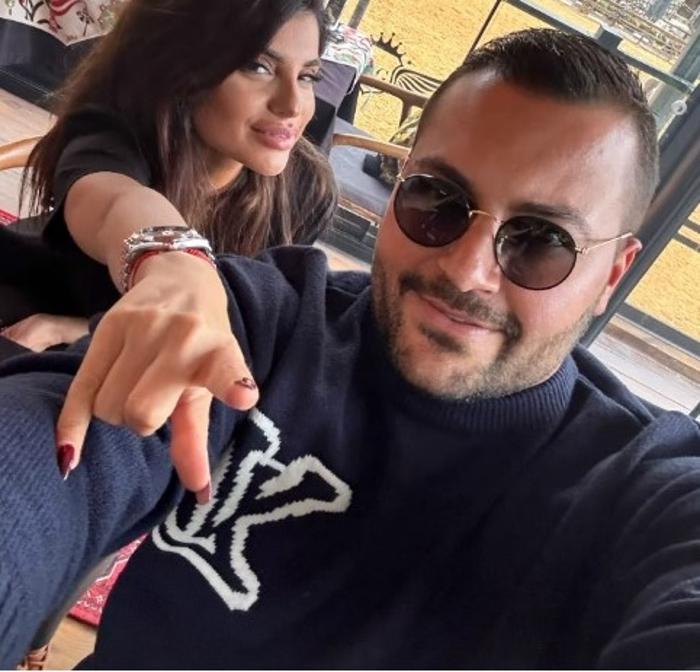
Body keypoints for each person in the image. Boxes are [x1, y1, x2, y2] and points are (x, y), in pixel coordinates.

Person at [1, 27, 699, 668]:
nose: (466, 270)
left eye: (542, 242)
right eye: (436, 200)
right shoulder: (270, 323)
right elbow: (34, 456)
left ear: (612, 276)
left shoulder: (638, 492)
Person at [0, 0, 334, 666]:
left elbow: (264, 323)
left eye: (308, 75)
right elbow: (108, 200)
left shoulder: (303, 190)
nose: (293, 104)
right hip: (23, 321)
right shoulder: (114, 133)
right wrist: (171, 261)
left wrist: (86, 330)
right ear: (188, 66)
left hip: (132, 378)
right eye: (258, 66)